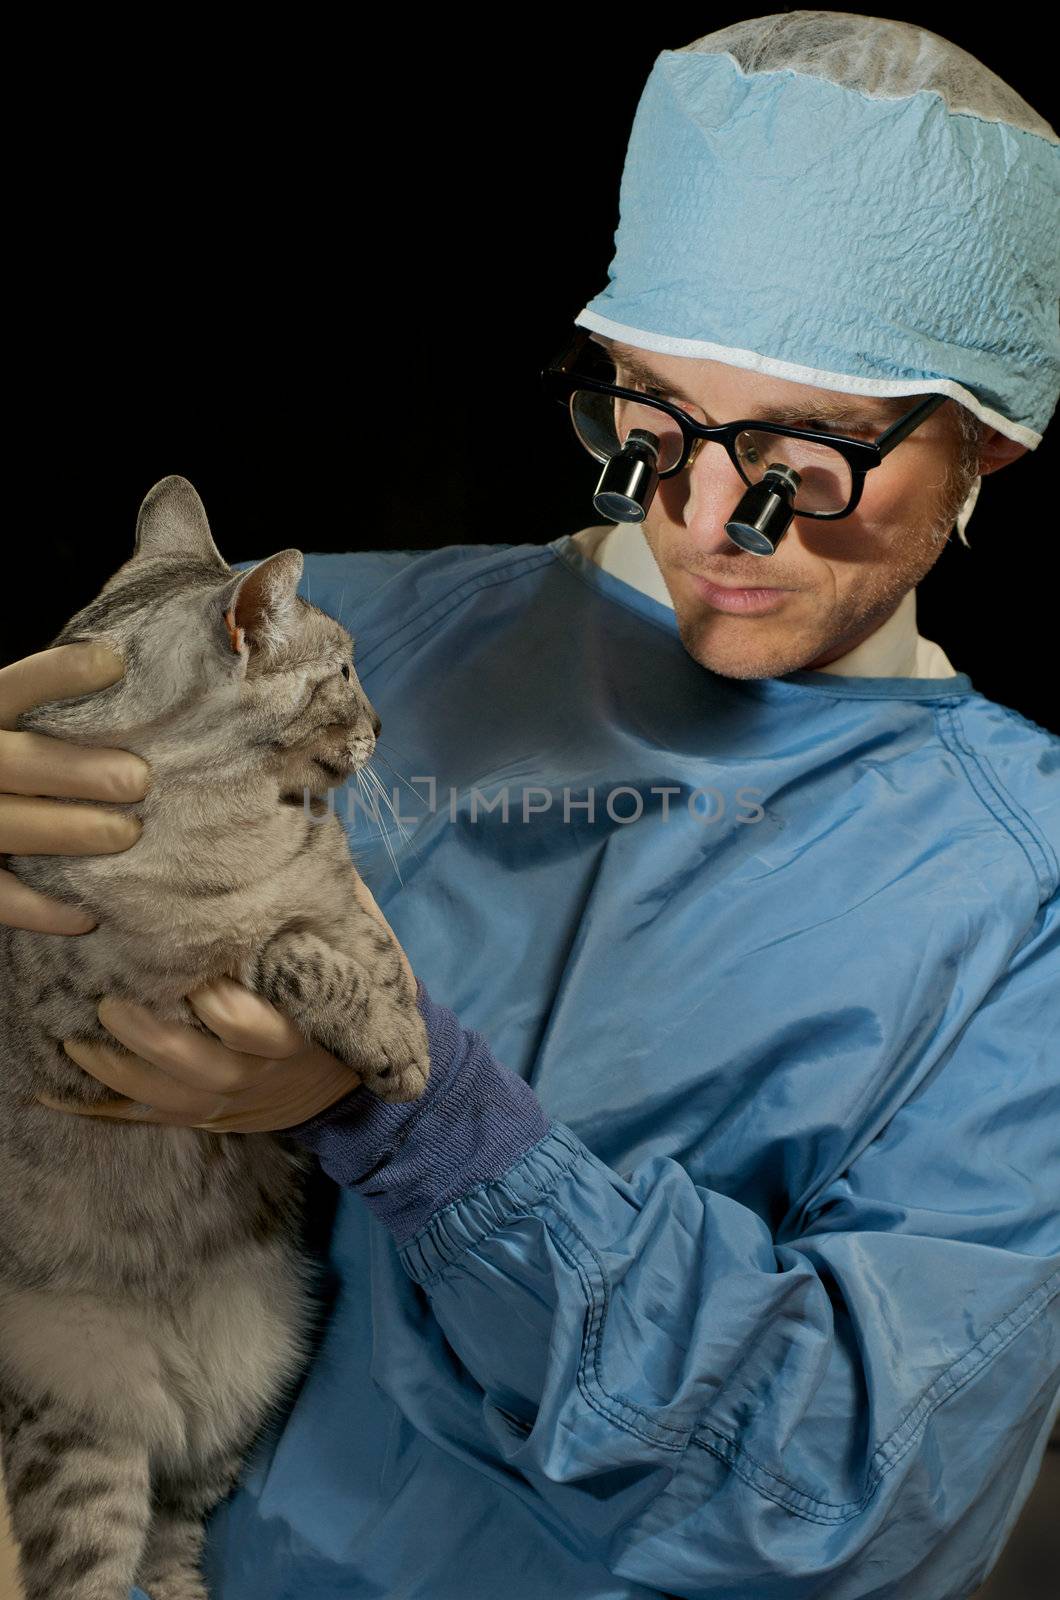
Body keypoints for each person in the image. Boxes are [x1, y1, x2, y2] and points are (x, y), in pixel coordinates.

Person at [2, 14, 1058, 1600]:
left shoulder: (1013, 893)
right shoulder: (321, 649)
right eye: (654, 417)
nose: (713, 516)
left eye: (812, 456)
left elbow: (851, 1488)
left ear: (985, 439)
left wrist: (406, 1118)